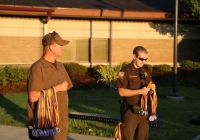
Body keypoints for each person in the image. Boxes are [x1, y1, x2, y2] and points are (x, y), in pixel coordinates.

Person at [27, 31, 73, 140]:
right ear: (52, 47)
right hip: (45, 125)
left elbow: (65, 92)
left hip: (61, 122)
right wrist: (57, 88)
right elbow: (33, 97)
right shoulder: (37, 68)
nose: (63, 48)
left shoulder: (61, 66)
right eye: (61, 45)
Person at [115, 46, 156, 140]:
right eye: (141, 59)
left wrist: (152, 88)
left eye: (146, 59)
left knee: (142, 137)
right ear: (134, 56)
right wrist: (140, 91)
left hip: (144, 111)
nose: (143, 61)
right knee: (127, 137)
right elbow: (121, 92)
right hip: (131, 112)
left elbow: (150, 84)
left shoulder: (145, 71)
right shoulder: (124, 71)